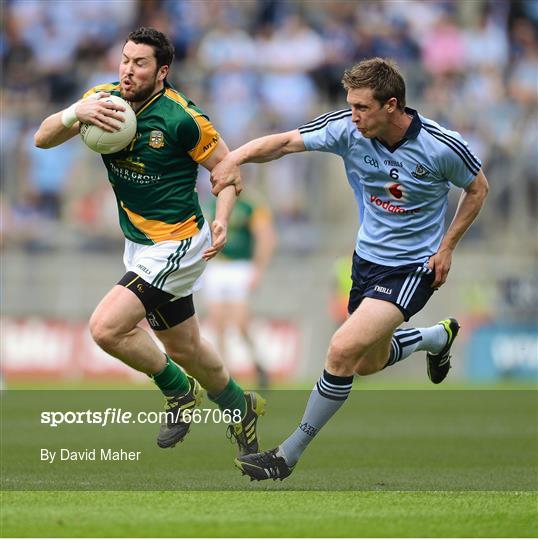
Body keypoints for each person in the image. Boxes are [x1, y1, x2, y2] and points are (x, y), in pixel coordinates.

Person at [210, 58, 489, 481]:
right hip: (367, 262)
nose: (353, 115)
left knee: (341, 350)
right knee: (366, 363)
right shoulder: (347, 130)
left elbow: (478, 187)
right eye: (351, 105)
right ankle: (436, 337)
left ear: (391, 105)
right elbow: (285, 143)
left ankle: (286, 455)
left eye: (361, 107)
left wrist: (447, 246)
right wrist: (235, 160)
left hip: (414, 267)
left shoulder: (440, 145)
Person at [34, 27, 265, 456]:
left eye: (139, 63)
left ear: (162, 71)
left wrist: (224, 218)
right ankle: (241, 408)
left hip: (178, 242)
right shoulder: (101, 101)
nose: (127, 70)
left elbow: (228, 170)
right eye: (124, 59)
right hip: (139, 244)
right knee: (185, 347)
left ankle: (180, 394)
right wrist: (75, 114)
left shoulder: (182, 118)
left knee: (106, 328)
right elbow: (41, 138)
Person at [203, 189, 276, 388]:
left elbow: (265, 237)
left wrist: (258, 269)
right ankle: (225, 375)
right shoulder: (211, 203)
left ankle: (258, 365)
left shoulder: (251, 205)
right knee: (218, 324)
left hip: (240, 267)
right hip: (217, 266)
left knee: (241, 324)